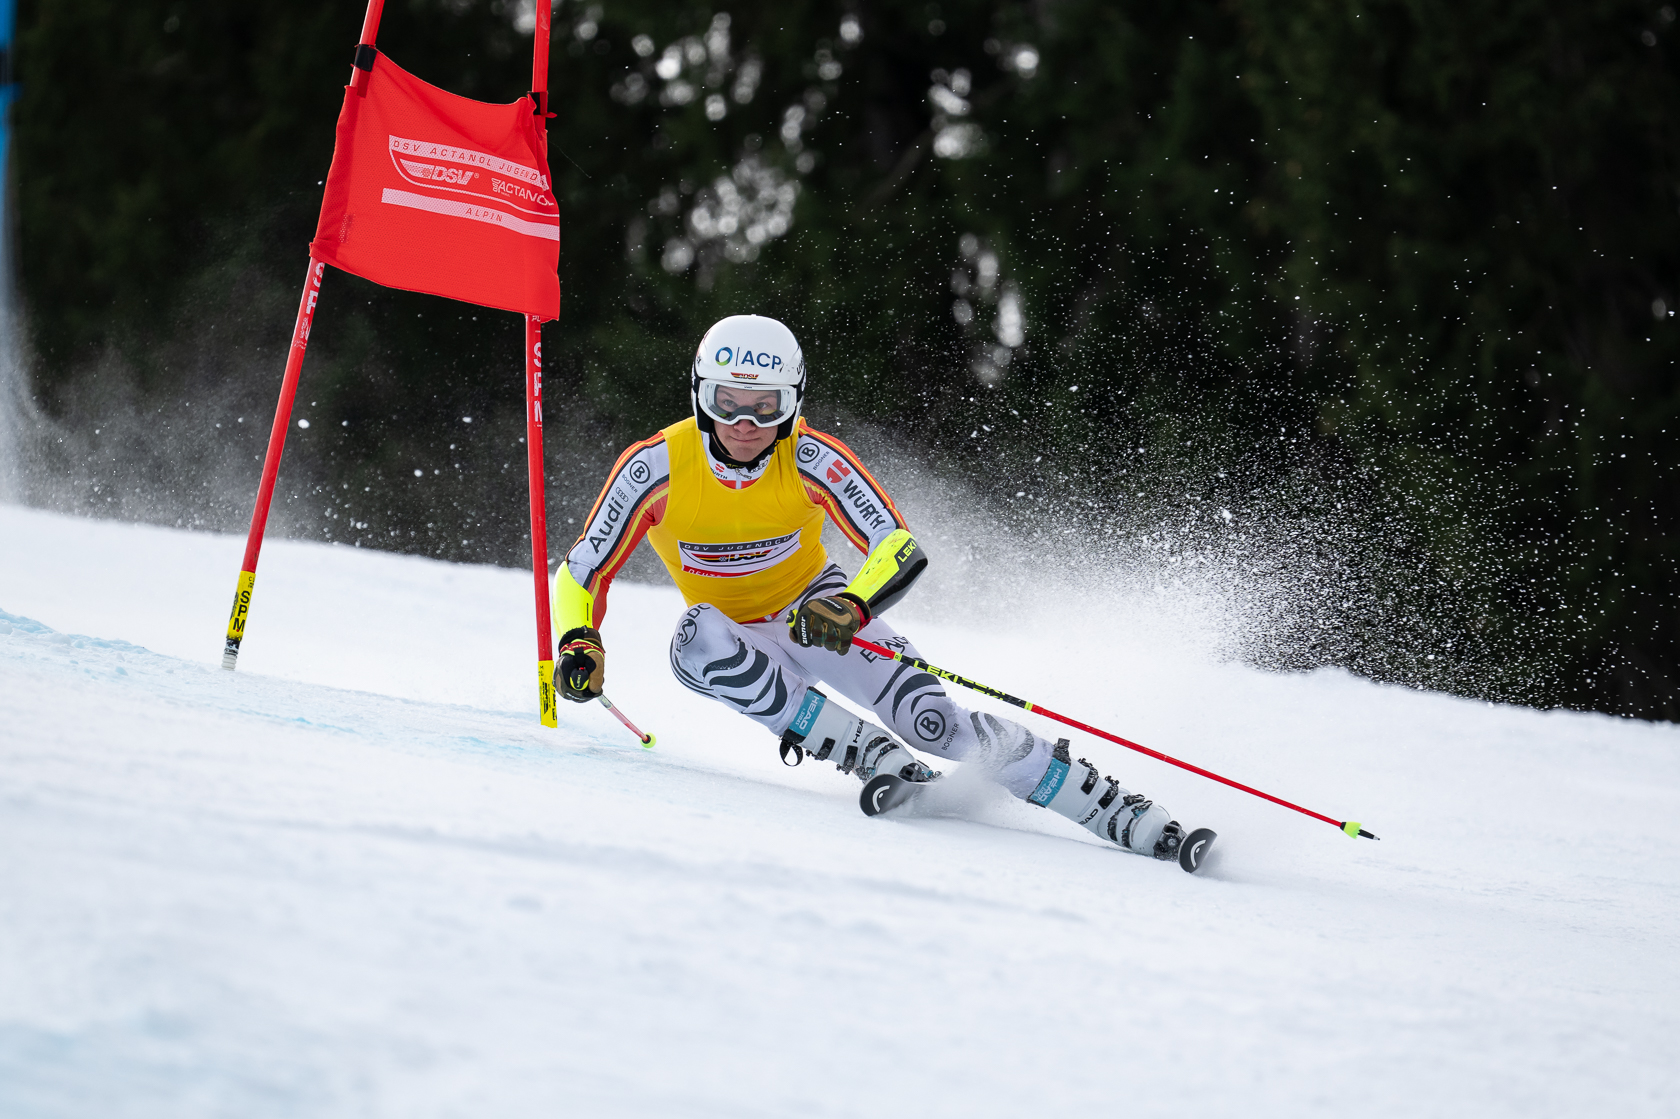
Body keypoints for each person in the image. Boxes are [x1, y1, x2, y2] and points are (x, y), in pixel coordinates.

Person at [553, 314, 1186, 860]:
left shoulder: (810, 458)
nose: (744, 422)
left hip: (817, 614)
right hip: (738, 635)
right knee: (696, 643)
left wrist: (852, 606)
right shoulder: (657, 467)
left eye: (765, 405)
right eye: (726, 401)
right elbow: (584, 570)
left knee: (933, 722)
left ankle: (1109, 808)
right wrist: (579, 639)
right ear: (699, 395)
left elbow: (897, 545)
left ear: (792, 403)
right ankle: (867, 754)